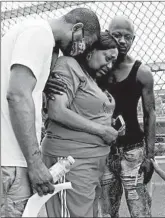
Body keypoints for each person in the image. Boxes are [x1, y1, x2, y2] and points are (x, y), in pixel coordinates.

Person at [1, 8, 100, 217]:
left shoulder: (27, 33)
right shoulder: (40, 34)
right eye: (85, 42)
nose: (81, 50)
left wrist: (42, 81)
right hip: (11, 161)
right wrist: (35, 163)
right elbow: (17, 96)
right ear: (77, 28)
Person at [41, 31, 119, 217]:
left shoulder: (90, 77)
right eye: (107, 58)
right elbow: (57, 110)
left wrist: (109, 124)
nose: (109, 66)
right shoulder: (68, 65)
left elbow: (82, 110)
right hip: (71, 162)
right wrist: (101, 130)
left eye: (113, 62)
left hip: (90, 163)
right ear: (90, 50)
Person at [99, 16, 156, 217]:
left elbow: (150, 114)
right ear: (107, 34)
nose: (122, 41)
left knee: (140, 212)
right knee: (107, 213)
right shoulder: (96, 68)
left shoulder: (142, 72)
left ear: (133, 39)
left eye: (127, 37)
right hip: (104, 151)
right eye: (117, 35)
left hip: (133, 152)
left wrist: (150, 156)